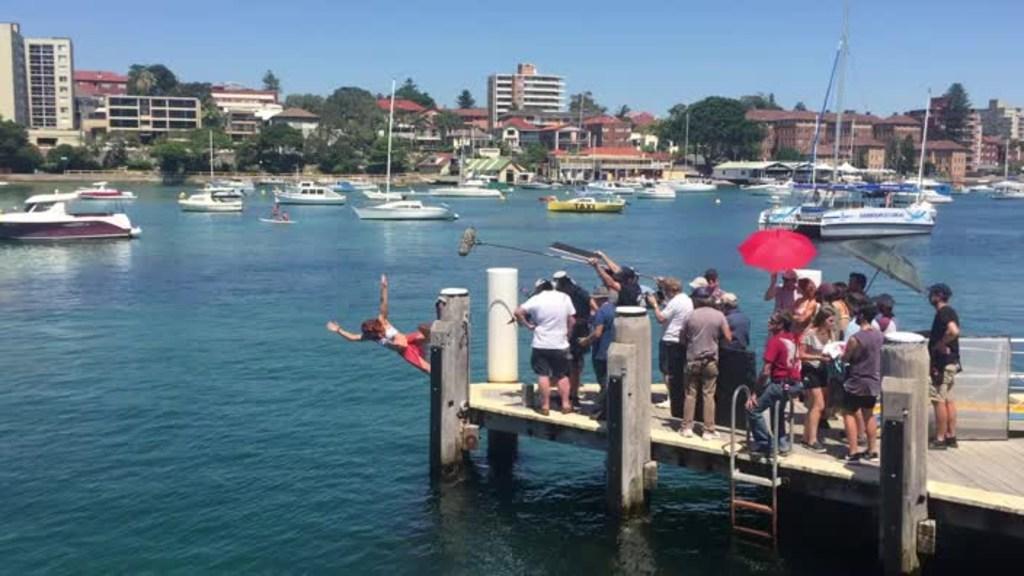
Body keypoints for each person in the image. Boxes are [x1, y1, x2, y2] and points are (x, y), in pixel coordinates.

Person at [326, 274, 432, 373]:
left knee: (428, 333)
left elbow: (383, 303)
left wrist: (384, 288)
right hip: (404, 351)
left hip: (408, 339)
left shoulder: (382, 321)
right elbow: (353, 337)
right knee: (428, 369)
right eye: (374, 335)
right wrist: (339, 330)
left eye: (377, 333)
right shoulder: (371, 336)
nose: (378, 336)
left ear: (377, 327)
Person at [514, 279, 576, 416]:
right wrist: (568, 334)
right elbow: (572, 320)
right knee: (562, 375)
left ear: (539, 289)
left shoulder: (536, 298)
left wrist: (527, 325)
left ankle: (545, 406)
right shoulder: (564, 297)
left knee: (543, 375)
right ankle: (565, 404)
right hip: (560, 343)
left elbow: (518, 312)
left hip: (541, 344)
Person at [679, 286, 732, 440]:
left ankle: (687, 427)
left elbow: (682, 339)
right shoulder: (719, 315)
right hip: (711, 360)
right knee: (708, 394)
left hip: (692, 359)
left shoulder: (690, 316)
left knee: (690, 394)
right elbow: (728, 337)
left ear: (696, 300)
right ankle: (708, 430)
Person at [747, 311, 802, 456]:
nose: (768, 323)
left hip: (780, 384)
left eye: (772, 321)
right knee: (777, 411)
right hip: (794, 384)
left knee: (753, 410)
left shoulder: (775, 341)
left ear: (781, 324)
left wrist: (755, 392)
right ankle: (782, 444)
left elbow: (765, 371)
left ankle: (766, 444)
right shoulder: (793, 339)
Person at [840, 301, 884, 463]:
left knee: (849, 413)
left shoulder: (855, 338)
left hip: (856, 380)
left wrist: (841, 356)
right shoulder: (880, 336)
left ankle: (853, 451)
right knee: (868, 413)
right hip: (873, 380)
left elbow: (846, 358)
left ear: (862, 316)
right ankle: (872, 450)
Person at [646, 277, 693, 416]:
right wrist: (661, 285)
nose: (665, 293)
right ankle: (677, 396)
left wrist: (654, 305)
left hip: (669, 339)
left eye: (666, 291)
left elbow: (661, 318)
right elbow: (669, 304)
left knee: (667, 371)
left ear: (672, 290)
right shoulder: (686, 299)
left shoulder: (675, 302)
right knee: (678, 371)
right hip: (681, 339)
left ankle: (670, 398)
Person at [927, 283, 961, 450]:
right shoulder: (950, 311)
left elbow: (953, 331)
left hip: (942, 364)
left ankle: (940, 438)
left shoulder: (944, 312)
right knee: (948, 399)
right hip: (951, 362)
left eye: (932, 294)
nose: (929, 296)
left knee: (938, 400)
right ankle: (951, 435)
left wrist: (940, 343)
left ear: (938, 296)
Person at [800, 308, 836, 452]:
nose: (833, 324)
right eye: (830, 321)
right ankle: (812, 440)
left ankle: (805, 436)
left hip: (824, 370)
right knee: (818, 405)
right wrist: (819, 357)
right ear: (823, 320)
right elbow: (801, 354)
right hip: (810, 369)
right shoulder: (809, 334)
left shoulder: (830, 333)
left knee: (815, 406)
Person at [578, 286, 616, 420]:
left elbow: (597, 332)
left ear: (598, 299)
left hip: (601, 352)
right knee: (611, 382)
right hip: (614, 351)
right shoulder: (615, 309)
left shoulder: (602, 312)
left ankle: (601, 410)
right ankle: (610, 409)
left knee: (603, 382)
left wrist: (585, 341)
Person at [554, 271, 592, 406]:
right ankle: (574, 395)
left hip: (567, 332)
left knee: (563, 366)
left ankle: (566, 395)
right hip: (582, 331)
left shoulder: (561, 295)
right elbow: (592, 308)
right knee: (576, 364)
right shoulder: (582, 292)